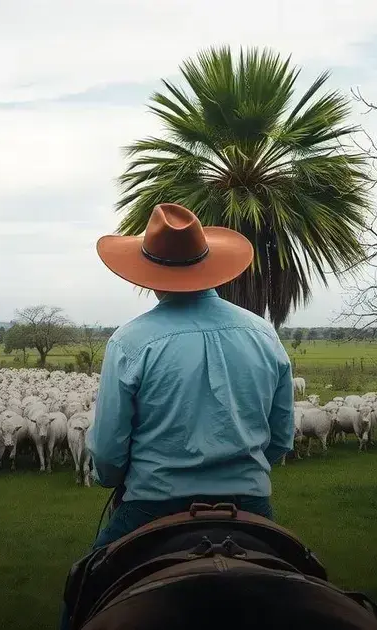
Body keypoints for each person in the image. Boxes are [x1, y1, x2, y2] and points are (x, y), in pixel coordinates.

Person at [85, 202, 295, 547]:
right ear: (207, 264)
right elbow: (281, 437)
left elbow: (108, 455)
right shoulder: (264, 335)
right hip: (248, 505)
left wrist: (115, 477)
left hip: (152, 506)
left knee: (84, 587)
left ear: (148, 273)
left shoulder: (128, 343)